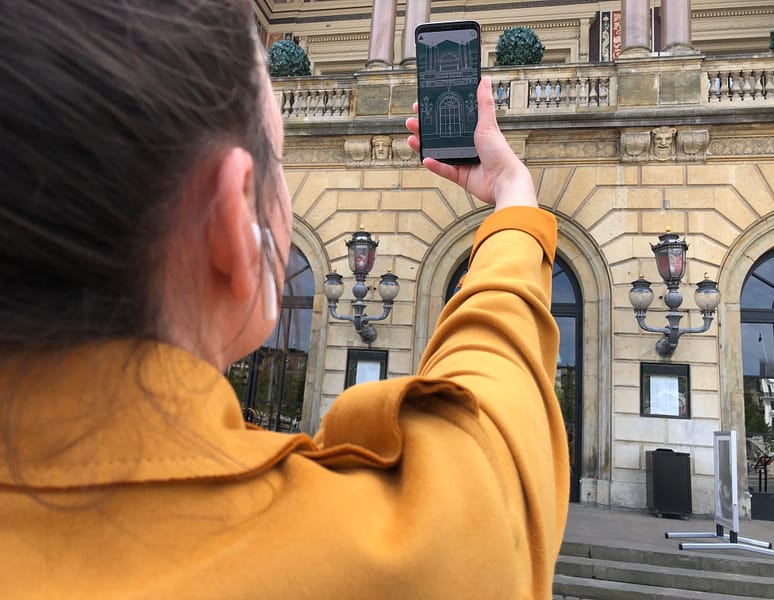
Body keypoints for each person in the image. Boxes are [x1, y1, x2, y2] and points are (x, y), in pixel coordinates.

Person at [0, 2, 569, 598]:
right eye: (277, 156)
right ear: (231, 223)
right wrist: (514, 200)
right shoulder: (376, 553)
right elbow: (496, 463)